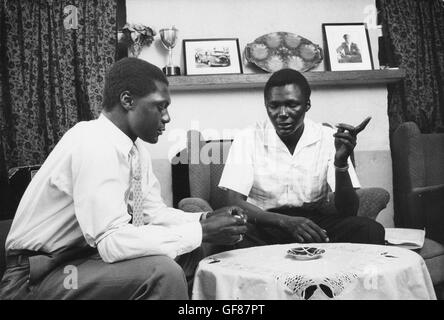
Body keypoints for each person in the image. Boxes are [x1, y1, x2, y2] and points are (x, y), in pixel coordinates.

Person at [0, 58, 247, 300]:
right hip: (38, 275)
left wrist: (204, 218)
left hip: (81, 259)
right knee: (162, 273)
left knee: (191, 252)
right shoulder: (93, 142)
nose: (167, 118)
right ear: (128, 100)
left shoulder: (135, 152)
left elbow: (151, 215)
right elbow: (111, 242)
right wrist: (201, 230)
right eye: (161, 106)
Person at [218, 68, 385, 248]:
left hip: (312, 223)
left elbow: (349, 210)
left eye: (292, 104)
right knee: (231, 239)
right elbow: (233, 202)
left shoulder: (327, 137)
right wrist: (285, 222)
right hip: (263, 223)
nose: (282, 113)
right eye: (274, 106)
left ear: (307, 105)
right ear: (266, 105)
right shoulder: (248, 137)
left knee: (369, 230)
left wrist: (341, 163)